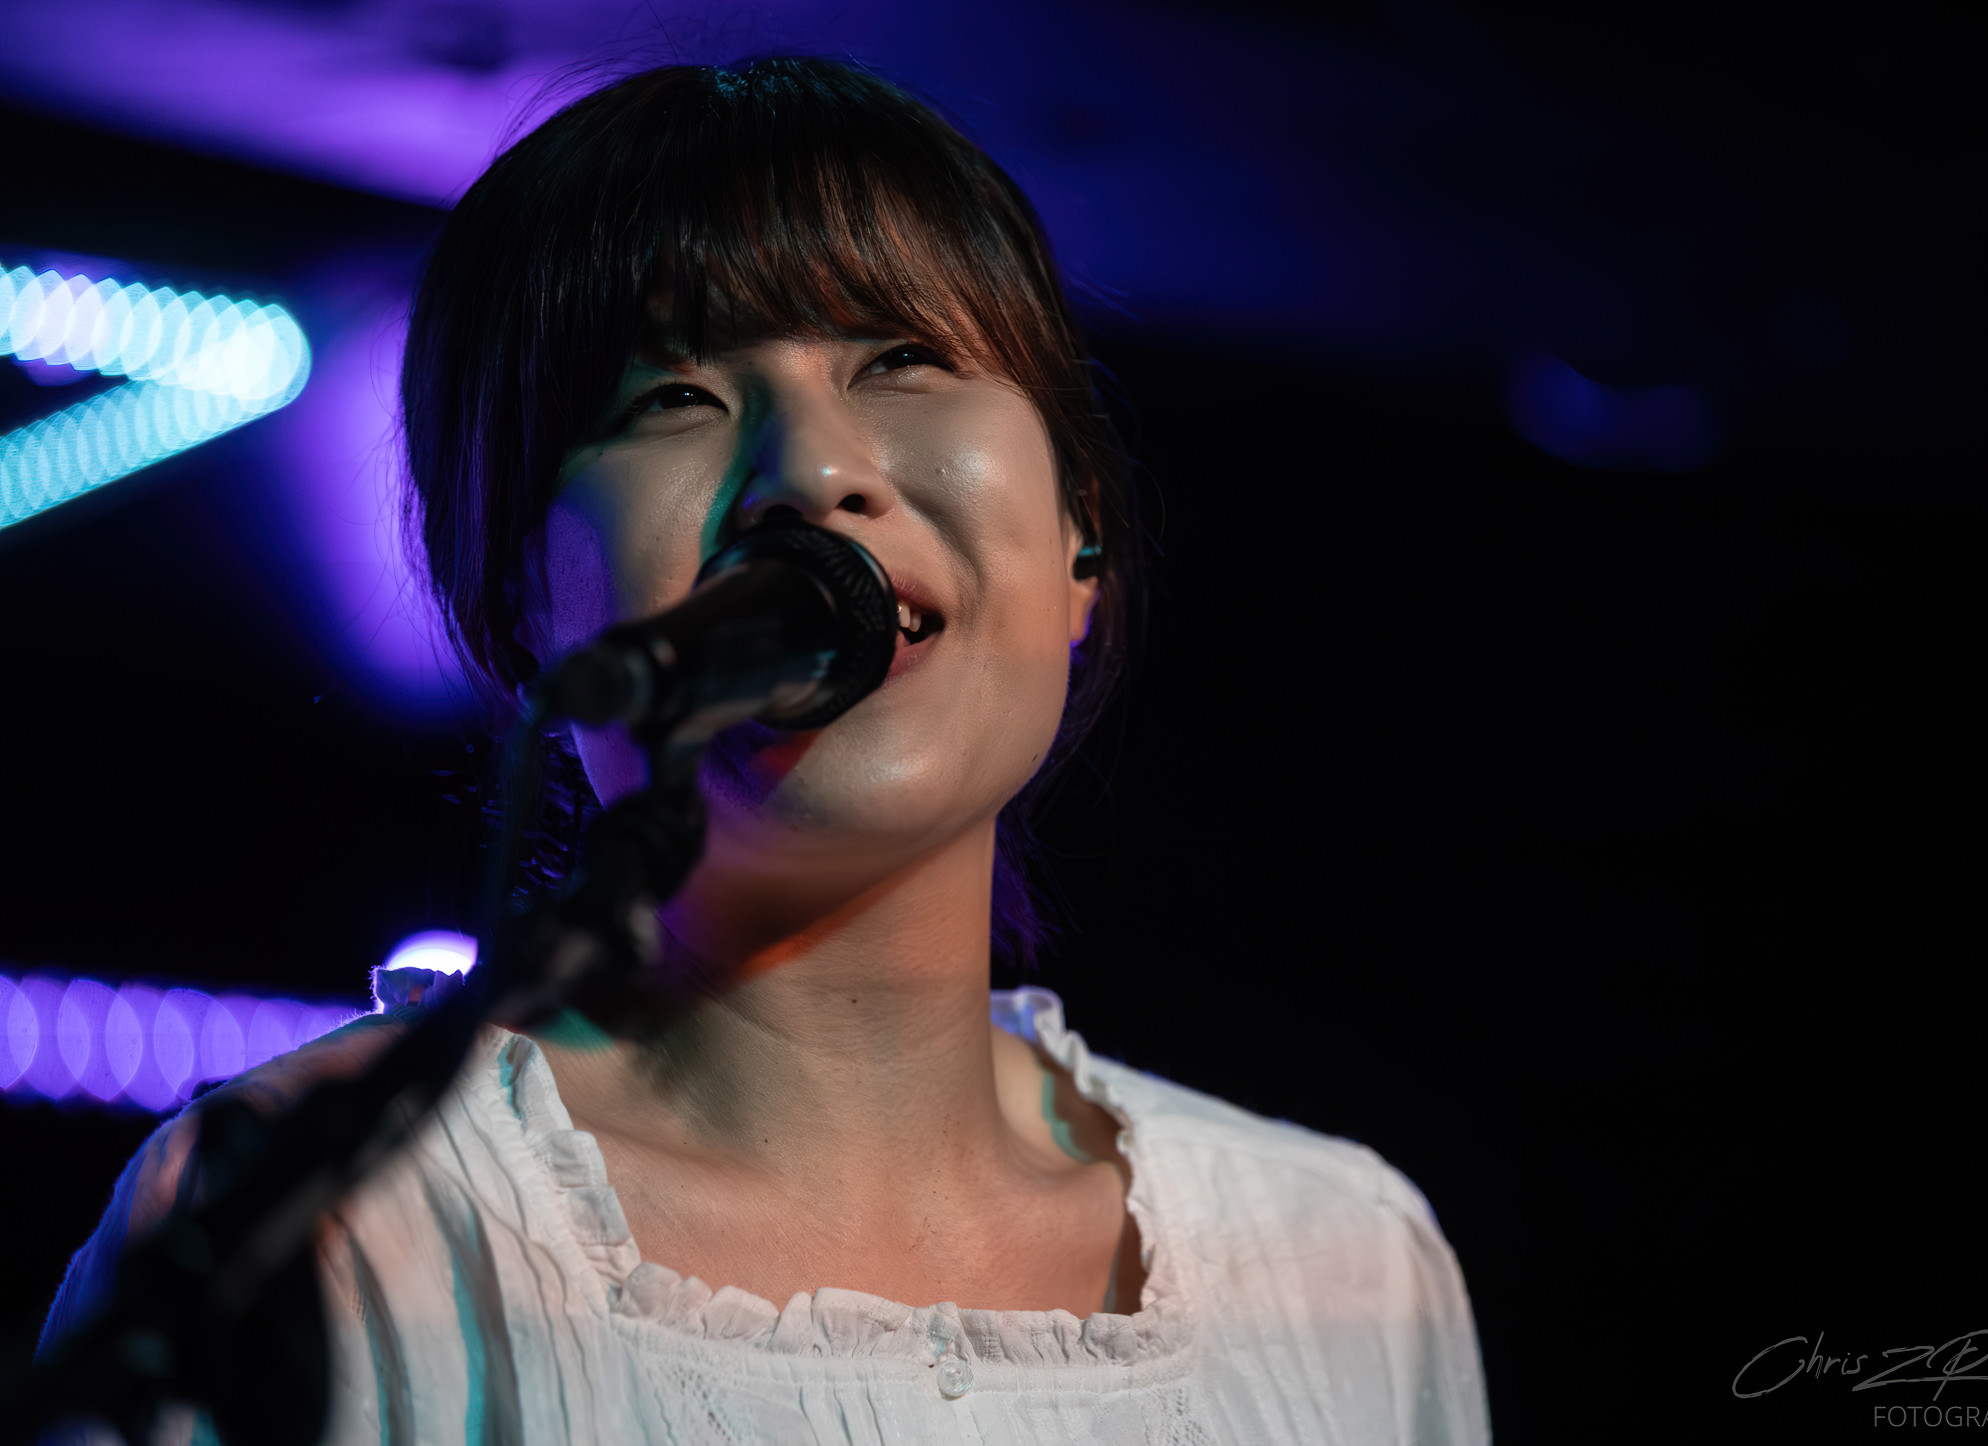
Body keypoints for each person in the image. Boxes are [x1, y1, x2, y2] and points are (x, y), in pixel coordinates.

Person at [42, 58, 1490, 1444]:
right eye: (671, 397)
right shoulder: (315, 1228)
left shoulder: (1345, 1266)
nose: (811, 472)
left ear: (1080, 542)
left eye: (904, 359)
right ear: (520, 602)